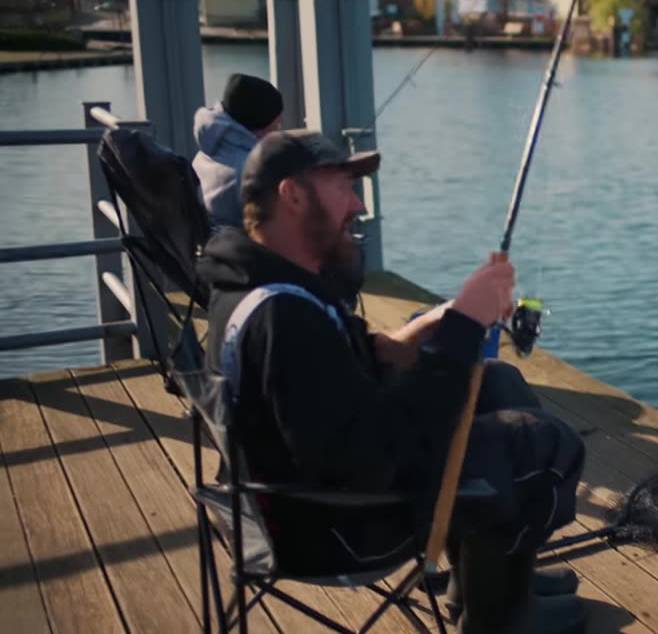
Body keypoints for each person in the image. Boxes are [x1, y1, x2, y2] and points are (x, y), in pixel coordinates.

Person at [196, 129, 588, 633]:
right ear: (292, 195)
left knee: (498, 384)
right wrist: (466, 328)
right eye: (342, 186)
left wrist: (437, 325)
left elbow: (351, 368)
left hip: (299, 495)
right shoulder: (285, 317)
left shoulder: (263, 285)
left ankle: (484, 585)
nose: (358, 205)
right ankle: (498, 620)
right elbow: (377, 453)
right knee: (539, 445)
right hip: (337, 527)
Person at [193, 73, 285, 232]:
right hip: (250, 251)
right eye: (275, 123)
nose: (281, 122)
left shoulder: (208, 150)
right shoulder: (251, 173)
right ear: (258, 125)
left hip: (219, 245)